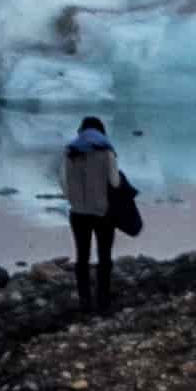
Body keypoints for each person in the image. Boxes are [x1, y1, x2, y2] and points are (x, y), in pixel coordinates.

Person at [60, 116, 131, 311]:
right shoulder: (106, 151)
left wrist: (74, 199)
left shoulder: (69, 151)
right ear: (101, 131)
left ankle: (85, 301)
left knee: (82, 257)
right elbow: (115, 182)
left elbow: (64, 184)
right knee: (104, 256)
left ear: (81, 130)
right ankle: (103, 300)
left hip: (78, 213)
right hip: (102, 212)